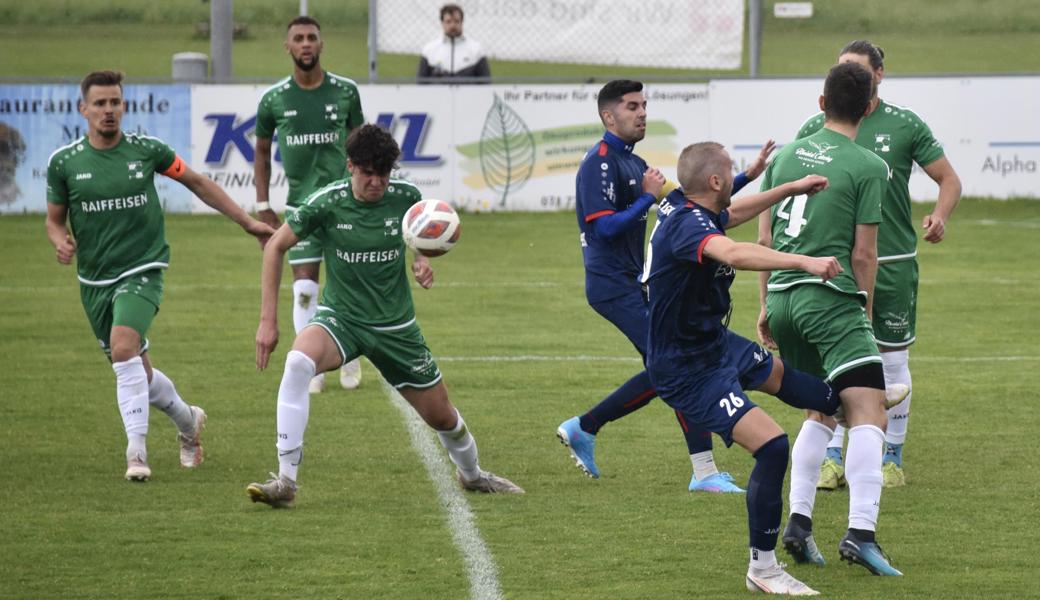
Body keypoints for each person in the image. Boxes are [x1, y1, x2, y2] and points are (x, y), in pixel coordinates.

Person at [247, 124, 523, 507]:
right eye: (368, 173)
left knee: (442, 417)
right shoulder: (326, 203)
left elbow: (417, 234)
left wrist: (422, 261)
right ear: (350, 167)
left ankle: (473, 476)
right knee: (297, 363)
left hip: (396, 327)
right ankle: (286, 482)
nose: (377, 182)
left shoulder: (406, 196)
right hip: (340, 319)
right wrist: (267, 320)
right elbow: (274, 246)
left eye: (384, 173)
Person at [45, 70, 274, 482]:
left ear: (124, 105)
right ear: (83, 110)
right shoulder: (64, 163)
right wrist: (60, 241)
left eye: (115, 101)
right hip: (95, 281)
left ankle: (136, 453)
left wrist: (247, 221)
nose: (109, 110)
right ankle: (189, 422)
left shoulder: (147, 151)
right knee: (136, 370)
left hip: (143, 268)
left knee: (123, 348)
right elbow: (54, 221)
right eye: (100, 103)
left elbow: (199, 183)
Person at [556, 78, 777, 493]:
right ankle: (699, 469)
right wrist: (645, 198)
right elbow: (603, 230)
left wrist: (746, 176)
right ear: (608, 116)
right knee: (675, 365)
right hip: (611, 286)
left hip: (633, 284)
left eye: (643, 105)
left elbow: (693, 200)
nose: (641, 113)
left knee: (671, 366)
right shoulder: (599, 163)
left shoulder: (635, 165)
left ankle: (590, 428)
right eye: (631, 106)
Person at [642, 141, 843, 595]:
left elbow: (730, 214)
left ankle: (851, 407)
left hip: (712, 344)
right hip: (686, 368)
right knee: (772, 447)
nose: (733, 177)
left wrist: (788, 187)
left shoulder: (685, 205)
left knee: (784, 379)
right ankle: (763, 568)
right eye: (730, 171)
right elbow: (733, 252)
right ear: (715, 182)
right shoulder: (690, 227)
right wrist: (804, 262)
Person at [757, 62, 905, 576]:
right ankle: (861, 533)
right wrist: (862, 310)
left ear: (821, 103)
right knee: (869, 409)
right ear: (868, 107)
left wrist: (764, 305)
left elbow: (764, 241)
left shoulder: (787, 155)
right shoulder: (868, 166)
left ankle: (798, 525)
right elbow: (864, 255)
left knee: (820, 411)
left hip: (782, 294)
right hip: (830, 297)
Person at [795, 41, 962, 490]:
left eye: (857, 71)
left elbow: (948, 178)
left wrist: (940, 215)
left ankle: (891, 458)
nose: (846, 77)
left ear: (879, 77)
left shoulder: (904, 125)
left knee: (891, 362)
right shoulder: (816, 126)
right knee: (831, 362)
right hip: (836, 263)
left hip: (891, 262)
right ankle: (831, 458)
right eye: (841, 69)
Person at [254, 16, 366, 394]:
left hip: (344, 206)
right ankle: (311, 366)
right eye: (298, 38)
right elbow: (262, 152)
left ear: (321, 45)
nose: (305, 44)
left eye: (312, 38)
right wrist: (262, 203)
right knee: (304, 287)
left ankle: (350, 357)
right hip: (301, 206)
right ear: (287, 47)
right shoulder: (273, 99)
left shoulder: (347, 92)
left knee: (347, 283)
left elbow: (362, 148)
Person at [417, 4, 490, 82]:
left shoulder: (476, 50)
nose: (453, 25)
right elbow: (420, 85)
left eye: (456, 21)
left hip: (467, 94)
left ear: (462, 22)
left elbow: (486, 84)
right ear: (442, 23)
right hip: (437, 94)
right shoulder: (429, 50)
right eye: (448, 22)